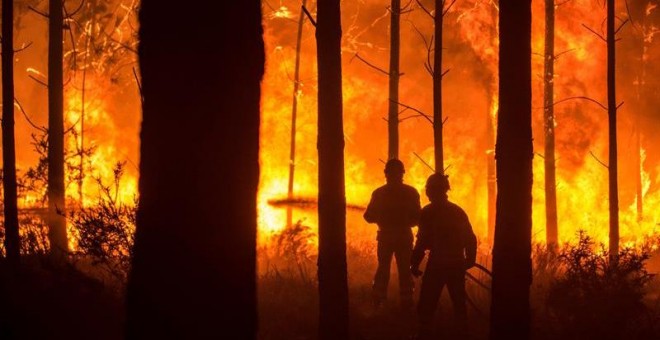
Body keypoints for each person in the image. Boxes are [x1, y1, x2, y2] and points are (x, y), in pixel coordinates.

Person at [410, 173, 477, 338]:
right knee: (459, 304)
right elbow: (470, 237)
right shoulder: (457, 211)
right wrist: (469, 259)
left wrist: (414, 263)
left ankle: (424, 335)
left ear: (431, 191)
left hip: (438, 264)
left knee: (426, 304)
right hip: (456, 263)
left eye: (429, 189)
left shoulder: (428, 212)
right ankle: (463, 334)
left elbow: (422, 241)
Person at [364, 159, 421, 308]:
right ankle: (406, 301)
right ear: (403, 173)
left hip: (386, 236)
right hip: (403, 236)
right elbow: (417, 218)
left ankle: (378, 300)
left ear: (385, 173)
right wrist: (404, 221)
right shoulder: (411, 192)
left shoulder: (379, 193)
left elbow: (368, 217)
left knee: (383, 267)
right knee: (404, 268)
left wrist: (381, 217)